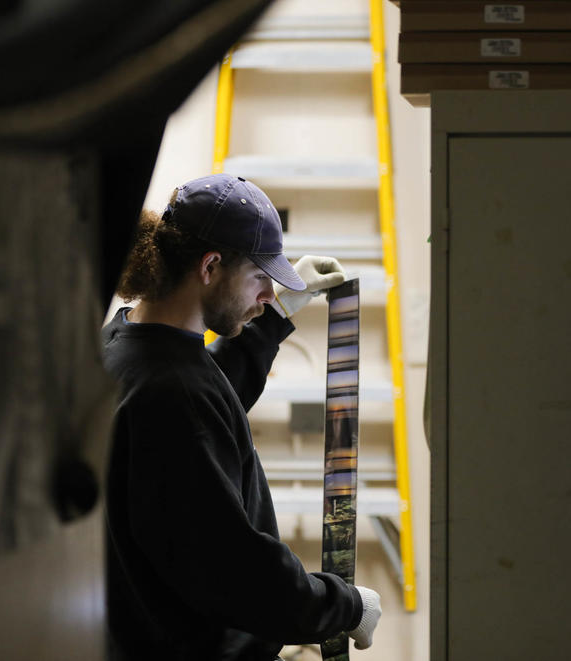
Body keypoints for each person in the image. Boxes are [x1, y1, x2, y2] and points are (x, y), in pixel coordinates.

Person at [101, 173, 382, 660]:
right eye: (260, 278)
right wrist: (346, 606)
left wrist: (275, 318)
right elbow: (237, 572)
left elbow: (209, 399)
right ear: (210, 266)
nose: (267, 294)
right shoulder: (175, 394)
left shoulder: (121, 345)